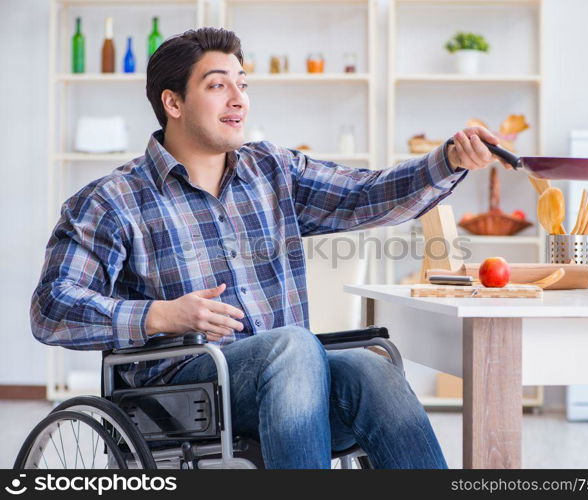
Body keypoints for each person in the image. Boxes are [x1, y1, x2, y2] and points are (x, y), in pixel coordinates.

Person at [31, 27, 510, 469]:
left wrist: (447, 160)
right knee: (293, 345)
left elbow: (365, 194)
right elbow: (52, 308)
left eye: (243, 83)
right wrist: (159, 315)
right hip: (178, 396)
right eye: (218, 85)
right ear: (173, 102)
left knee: (370, 367)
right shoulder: (110, 201)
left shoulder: (272, 171)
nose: (239, 98)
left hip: (291, 391)